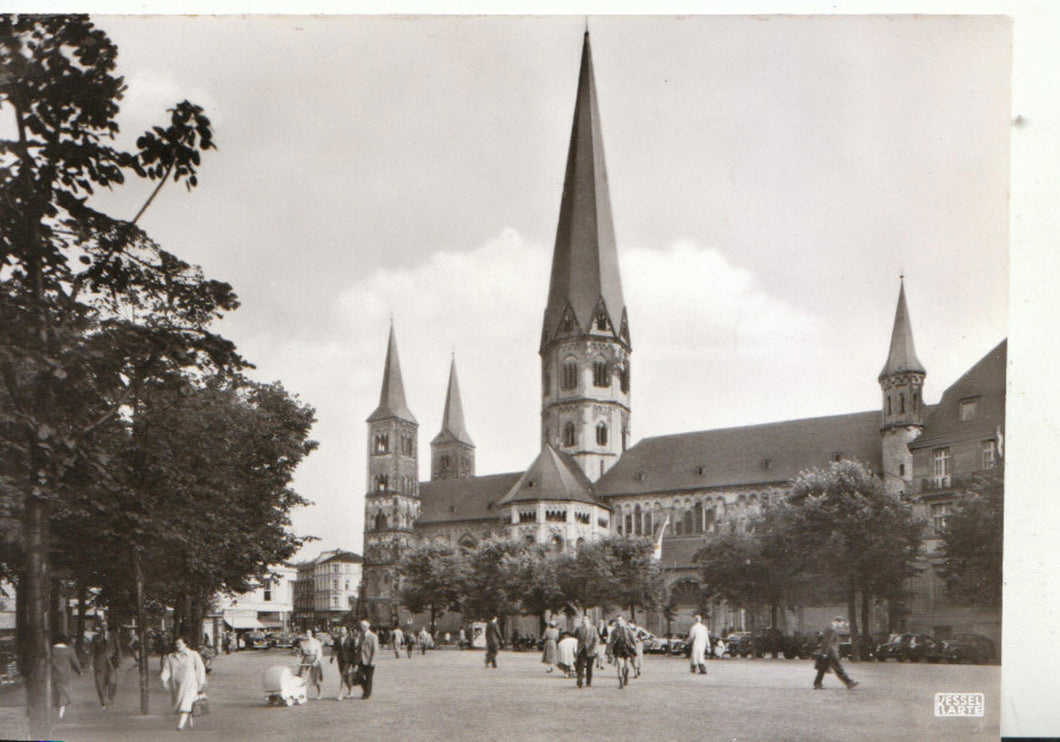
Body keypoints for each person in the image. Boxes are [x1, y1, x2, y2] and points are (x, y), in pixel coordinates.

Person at [160, 636, 207, 731]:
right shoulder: (171, 656)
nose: (177, 646)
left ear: (185, 644)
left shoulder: (193, 655)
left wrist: (201, 681)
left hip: (190, 683)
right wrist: (164, 680)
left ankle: (180, 725)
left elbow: (200, 669)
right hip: (177, 685)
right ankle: (189, 717)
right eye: (176, 644)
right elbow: (166, 669)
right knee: (180, 703)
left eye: (179, 643)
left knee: (186, 702)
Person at [813, 617, 859, 690]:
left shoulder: (829, 628)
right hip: (830, 651)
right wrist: (825, 652)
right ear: (837, 622)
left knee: (823, 668)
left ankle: (817, 684)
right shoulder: (831, 629)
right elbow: (828, 641)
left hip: (828, 651)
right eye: (841, 624)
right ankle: (848, 682)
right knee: (837, 668)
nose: (841, 626)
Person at [90, 618, 121, 709]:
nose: (104, 627)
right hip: (100, 662)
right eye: (102, 625)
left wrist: (119, 660)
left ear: (108, 626)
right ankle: (102, 700)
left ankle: (111, 698)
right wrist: (102, 637)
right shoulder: (96, 637)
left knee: (113, 681)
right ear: (100, 627)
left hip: (112, 662)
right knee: (100, 682)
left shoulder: (114, 636)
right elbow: (94, 648)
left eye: (105, 625)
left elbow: (118, 648)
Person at [52, 632, 82, 720]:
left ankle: (56, 708)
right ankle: (61, 712)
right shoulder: (69, 651)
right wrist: (79, 671)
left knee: (56, 692)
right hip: (65, 675)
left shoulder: (51, 650)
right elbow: (75, 663)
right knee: (65, 693)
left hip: (53, 674)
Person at [608, 617, 635, 689]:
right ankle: (620, 682)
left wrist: (634, 646)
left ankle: (626, 676)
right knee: (620, 665)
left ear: (623, 621)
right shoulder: (614, 631)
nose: (619, 622)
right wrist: (609, 651)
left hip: (627, 648)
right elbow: (611, 641)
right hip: (618, 649)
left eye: (620, 620)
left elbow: (632, 638)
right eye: (617, 620)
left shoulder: (627, 629)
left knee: (627, 666)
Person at [297, 629, 324, 699]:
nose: (307, 634)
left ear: (312, 634)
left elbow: (319, 653)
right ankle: (303, 694)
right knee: (304, 678)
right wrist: (298, 660)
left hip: (314, 660)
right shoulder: (304, 643)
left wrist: (316, 661)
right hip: (306, 661)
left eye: (309, 633)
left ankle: (319, 693)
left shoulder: (316, 642)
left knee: (316, 679)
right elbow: (300, 654)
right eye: (306, 633)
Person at [330, 625, 356, 700]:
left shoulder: (351, 639)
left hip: (348, 660)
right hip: (340, 660)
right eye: (341, 630)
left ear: (346, 631)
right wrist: (332, 657)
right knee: (346, 677)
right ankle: (350, 691)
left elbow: (353, 651)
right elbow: (334, 649)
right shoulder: (337, 639)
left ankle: (340, 693)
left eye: (343, 630)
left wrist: (353, 662)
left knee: (343, 675)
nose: (341, 631)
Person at [574, 615, 600, 689]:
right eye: (583, 619)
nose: (584, 621)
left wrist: (595, 649)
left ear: (589, 620)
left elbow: (596, 639)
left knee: (589, 666)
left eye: (586, 619)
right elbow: (576, 638)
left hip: (590, 649)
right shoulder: (579, 629)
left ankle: (588, 681)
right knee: (580, 665)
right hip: (582, 649)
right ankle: (580, 680)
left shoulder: (593, 628)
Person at [358, 620, 378, 699]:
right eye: (361, 626)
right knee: (359, 676)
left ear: (367, 627)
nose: (362, 628)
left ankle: (367, 694)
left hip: (369, 659)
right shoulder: (361, 636)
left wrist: (373, 660)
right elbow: (359, 647)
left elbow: (375, 649)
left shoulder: (373, 636)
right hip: (361, 659)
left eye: (363, 626)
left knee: (369, 678)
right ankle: (366, 690)